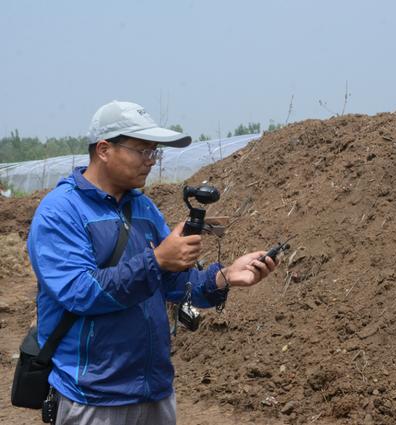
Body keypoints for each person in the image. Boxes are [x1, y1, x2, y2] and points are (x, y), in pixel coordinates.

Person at [27, 100, 278, 425]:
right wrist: (157, 260)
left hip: (154, 392)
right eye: (143, 151)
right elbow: (80, 292)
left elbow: (173, 282)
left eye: (154, 153)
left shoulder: (143, 209)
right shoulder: (61, 212)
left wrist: (225, 277)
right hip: (94, 398)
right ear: (104, 149)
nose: (151, 161)